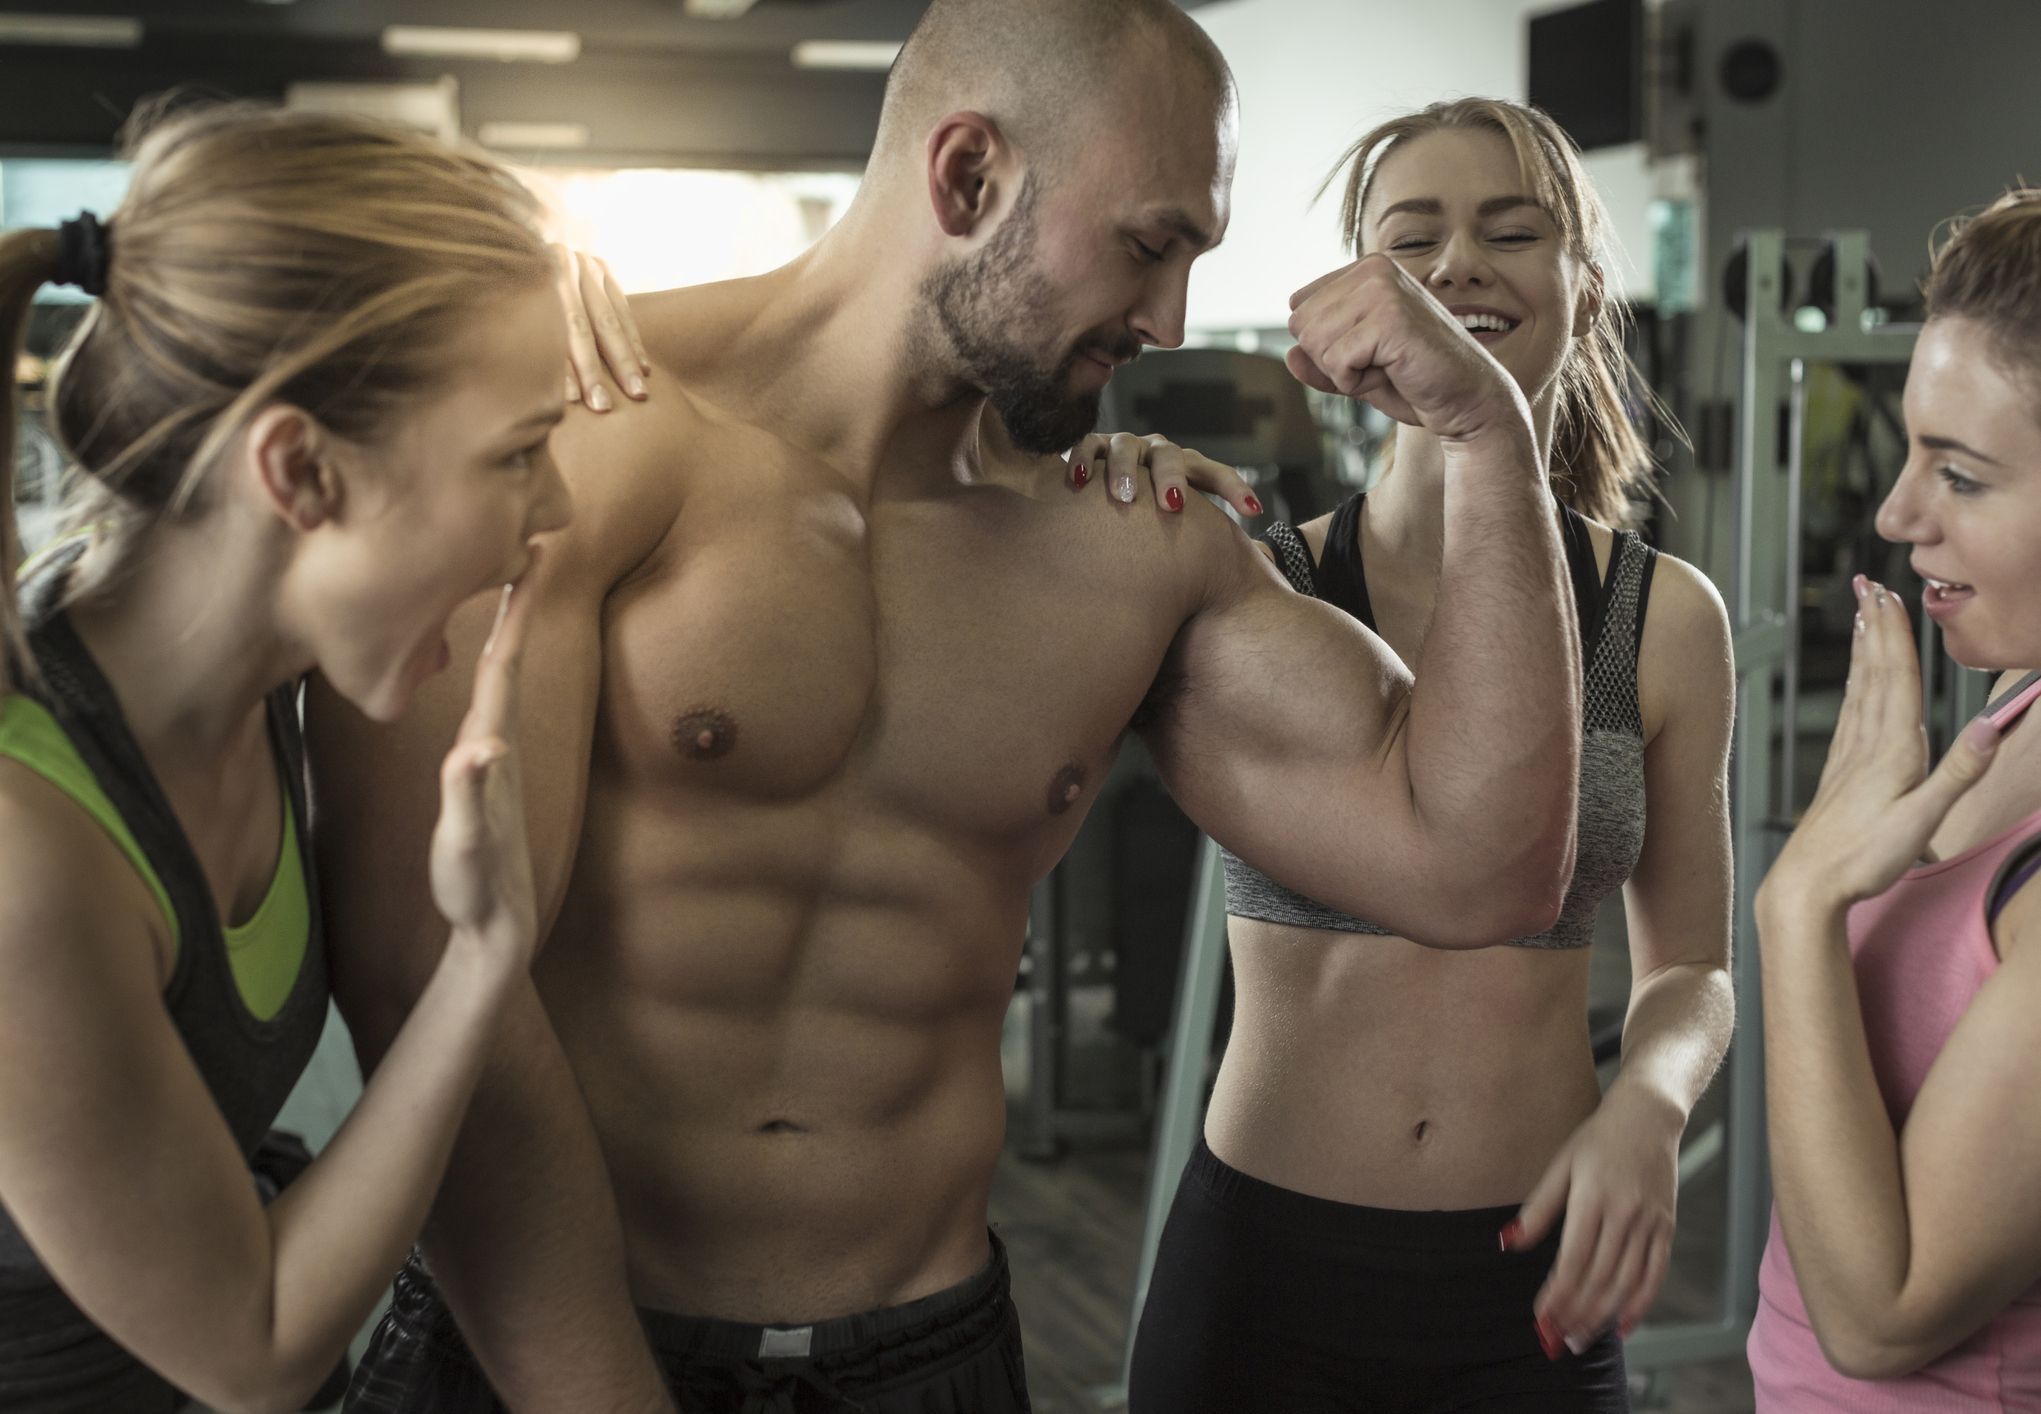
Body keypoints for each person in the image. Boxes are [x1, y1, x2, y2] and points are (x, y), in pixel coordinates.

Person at [308, 2, 1587, 1410]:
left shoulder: (1127, 540)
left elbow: (1484, 864)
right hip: (546, 1348)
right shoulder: (574, 437)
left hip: (926, 1359)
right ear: (966, 177)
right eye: (1148, 244)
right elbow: (430, 979)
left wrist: (1488, 438)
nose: (1164, 322)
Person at [0, 101, 604, 1412]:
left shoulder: (257, 696)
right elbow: (253, 1338)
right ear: (299, 471)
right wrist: (481, 958)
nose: (558, 506)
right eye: (518, 453)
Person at [1118, 98, 1736, 1414]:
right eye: (1415, 236)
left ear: (1582, 281)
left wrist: (1651, 1107)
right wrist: (1101, 503)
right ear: (1352, 290)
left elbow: (1693, 965)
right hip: (1264, 1269)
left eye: (1511, 231)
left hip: (1527, 1278)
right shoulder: (1250, 585)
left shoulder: (1662, 617)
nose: (1459, 265)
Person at [1751, 188, 2041, 1411]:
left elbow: (1880, 1315)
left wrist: (1798, 909)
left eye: (1961, 477)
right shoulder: (2011, 708)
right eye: (1913, 453)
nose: (1896, 514)